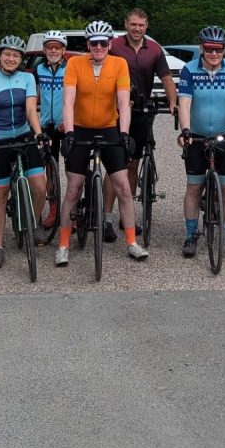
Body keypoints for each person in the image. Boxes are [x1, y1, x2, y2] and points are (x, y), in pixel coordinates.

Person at [56, 20, 149, 265]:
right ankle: (63, 244)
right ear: (88, 44)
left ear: (109, 44)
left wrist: (124, 133)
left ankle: (132, 242)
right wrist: (69, 133)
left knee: (123, 187)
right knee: (73, 188)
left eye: (103, 43)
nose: (98, 47)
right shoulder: (74, 64)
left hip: (109, 128)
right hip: (80, 129)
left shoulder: (119, 64)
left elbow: (123, 102)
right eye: (94, 43)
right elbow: (68, 101)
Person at [176, 26, 225, 262]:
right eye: (209, 49)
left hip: (224, 135)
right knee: (194, 188)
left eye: (218, 49)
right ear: (201, 48)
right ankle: (190, 235)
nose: (214, 54)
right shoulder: (189, 70)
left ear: (224, 49)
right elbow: (184, 103)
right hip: (197, 136)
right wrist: (185, 130)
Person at [103, 8, 178, 242]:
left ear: (146, 26)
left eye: (141, 25)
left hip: (141, 111)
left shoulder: (154, 49)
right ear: (126, 24)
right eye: (133, 24)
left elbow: (166, 78)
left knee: (132, 164)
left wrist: (173, 102)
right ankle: (106, 217)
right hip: (115, 111)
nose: (137, 29)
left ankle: (126, 216)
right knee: (115, 165)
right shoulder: (114, 46)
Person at [0, 35, 49, 268]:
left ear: (21, 59)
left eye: (15, 55)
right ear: (0, 56)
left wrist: (38, 133)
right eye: (7, 54)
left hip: (23, 135)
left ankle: (34, 222)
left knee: (39, 187)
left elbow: (30, 110)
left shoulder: (27, 78)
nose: (11, 59)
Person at [34, 29, 68, 229]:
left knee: (73, 170)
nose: (53, 50)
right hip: (47, 125)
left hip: (66, 124)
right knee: (49, 169)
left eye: (57, 47)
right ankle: (53, 210)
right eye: (50, 47)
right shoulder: (39, 69)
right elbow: (32, 95)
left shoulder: (71, 68)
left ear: (63, 50)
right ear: (45, 50)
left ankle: (72, 212)